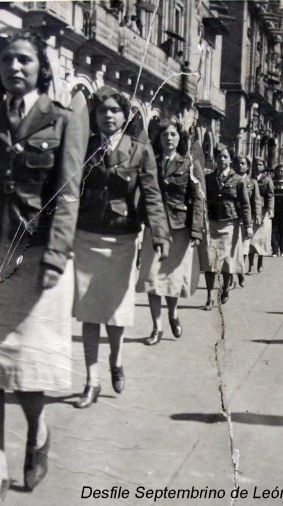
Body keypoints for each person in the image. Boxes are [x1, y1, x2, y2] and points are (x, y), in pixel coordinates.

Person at [0, 31, 86, 506]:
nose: (15, 67)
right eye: (8, 59)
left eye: (25, 60)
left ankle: (39, 431)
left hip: (35, 255)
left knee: (28, 373)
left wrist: (56, 256)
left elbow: (68, 193)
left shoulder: (63, 118)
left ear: (42, 68)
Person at [73, 86, 170, 407]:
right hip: (86, 236)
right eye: (102, 111)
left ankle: (115, 360)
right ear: (95, 115)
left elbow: (153, 195)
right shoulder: (83, 147)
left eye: (115, 110)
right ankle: (91, 380)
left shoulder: (139, 150)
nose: (108, 116)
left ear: (125, 115)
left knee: (115, 312)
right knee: (88, 311)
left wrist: (160, 234)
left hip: (123, 239)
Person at [136, 118, 204, 345]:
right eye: (165, 135)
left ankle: (173, 314)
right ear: (160, 139)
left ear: (179, 138)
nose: (169, 138)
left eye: (173, 134)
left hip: (179, 228)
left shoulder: (189, 164)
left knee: (172, 278)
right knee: (151, 277)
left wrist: (196, 232)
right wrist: (137, 226)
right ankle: (157, 328)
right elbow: (142, 195)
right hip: (154, 227)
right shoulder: (150, 162)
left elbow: (197, 199)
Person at [203, 144, 252, 309]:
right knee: (210, 261)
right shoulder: (209, 178)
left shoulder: (238, 180)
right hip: (211, 222)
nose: (221, 159)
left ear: (230, 160)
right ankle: (209, 295)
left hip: (230, 224)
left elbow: (245, 204)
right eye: (219, 156)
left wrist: (249, 226)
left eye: (225, 156)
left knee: (227, 262)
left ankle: (224, 289)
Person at [233, 155, 257, 288]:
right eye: (237, 163)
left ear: (247, 167)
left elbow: (255, 201)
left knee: (243, 248)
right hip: (232, 217)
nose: (239, 165)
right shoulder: (229, 179)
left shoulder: (251, 182)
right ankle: (231, 275)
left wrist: (256, 216)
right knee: (232, 248)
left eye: (243, 163)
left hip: (246, 218)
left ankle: (240, 272)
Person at [247, 157, 273, 273]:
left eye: (260, 165)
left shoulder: (267, 179)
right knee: (251, 239)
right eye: (256, 164)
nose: (258, 167)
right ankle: (251, 264)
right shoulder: (249, 178)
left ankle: (260, 262)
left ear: (264, 167)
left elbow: (271, 195)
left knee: (261, 238)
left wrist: (271, 209)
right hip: (251, 210)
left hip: (263, 210)